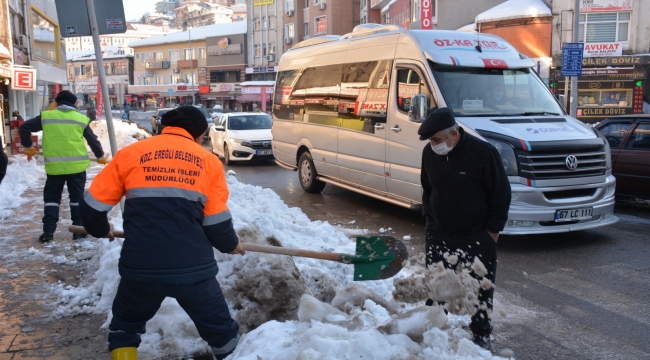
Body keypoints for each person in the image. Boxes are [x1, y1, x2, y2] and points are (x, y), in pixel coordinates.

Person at [79, 106, 245, 360]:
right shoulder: (208, 162)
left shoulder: (130, 155)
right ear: (198, 134)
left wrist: (102, 229)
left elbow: (91, 208)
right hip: (194, 272)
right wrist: (231, 244)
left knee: (124, 328)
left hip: (140, 269)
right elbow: (216, 223)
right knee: (222, 333)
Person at [418, 107, 511, 351]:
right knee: (437, 283)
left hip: (476, 234)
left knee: (480, 286)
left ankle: (481, 333)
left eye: (437, 139)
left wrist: (492, 231)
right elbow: (427, 189)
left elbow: (500, 194)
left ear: (454, 134)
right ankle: (434, 326)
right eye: (431, 140)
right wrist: (430, 222)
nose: (433, 144)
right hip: (440, 231)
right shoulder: (430, 153)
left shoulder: (482, 153)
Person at [19, 90, 107, 242]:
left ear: (57, 103)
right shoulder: (81, 118)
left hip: (55, 168)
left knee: (52, 199)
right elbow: (93, 140)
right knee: (76, 199)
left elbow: (24, 128)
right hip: (76, 168)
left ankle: (48, 232)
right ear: (74, 103)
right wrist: (100, 156)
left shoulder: (47, 116)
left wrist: (28, 146)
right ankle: (79, 230)